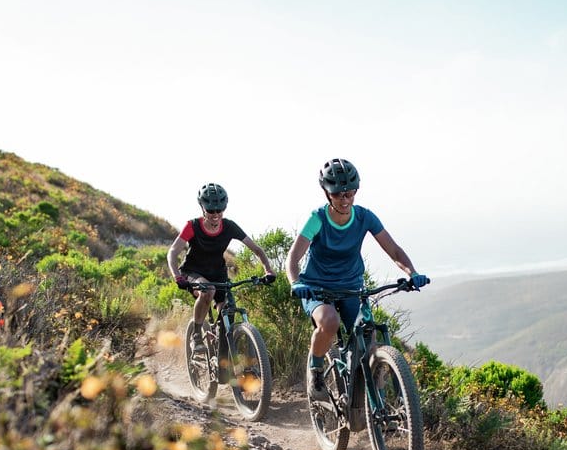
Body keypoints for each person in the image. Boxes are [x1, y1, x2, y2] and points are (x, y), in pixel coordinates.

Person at [286, 158, 429, 399]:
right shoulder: (318, 218)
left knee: (370, 342)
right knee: (329, 322)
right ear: (327, 193)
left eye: (350, 194)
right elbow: (293, 257)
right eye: (338, 194)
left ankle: (377, 408)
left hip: (351, 287)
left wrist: (411, 273)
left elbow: (393, 250)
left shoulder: (364, 217)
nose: (345, 200)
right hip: (316, 288)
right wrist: (295, 282)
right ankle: (316, 370)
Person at [167, 183, 276, 342]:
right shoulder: (193, 226)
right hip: (192, 272)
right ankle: (196, 334)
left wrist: (268, 270)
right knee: (208, 290)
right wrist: (177, 276)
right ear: (203, 208)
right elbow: (172, 252)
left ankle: (221, 351)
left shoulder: (229, 226)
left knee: (228, 310)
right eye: (211, 210)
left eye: (220, 210)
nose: (216, 214)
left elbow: (257, 250)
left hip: (218, 273)